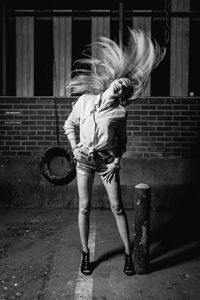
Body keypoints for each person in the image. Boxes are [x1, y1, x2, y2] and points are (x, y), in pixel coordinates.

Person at [63, 28, 165, 276]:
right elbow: (69, 124)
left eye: (126, 87)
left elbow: (122, 143)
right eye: (121, 81)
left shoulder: (120, 113)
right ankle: (85, 255)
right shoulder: (86, 100)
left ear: (124, 94)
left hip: (107, 163)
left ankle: (128, 256)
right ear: (113, 82)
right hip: (85, 161)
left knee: (117, 207)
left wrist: (116, 162)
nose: (123, 84)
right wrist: (75, 148)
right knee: (84, 208)